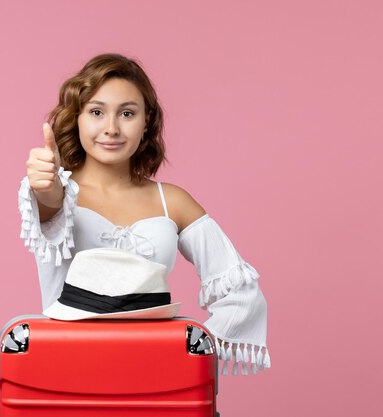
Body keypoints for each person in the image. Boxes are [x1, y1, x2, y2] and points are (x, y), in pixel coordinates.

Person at [18, 53, 270, 375]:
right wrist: (45, 186)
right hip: (68, 369)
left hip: (154, 374)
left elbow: (241, 290)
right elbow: (50, 204)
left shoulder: (173, 202)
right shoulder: (57, 191)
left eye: (127, 113)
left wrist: (191, 357)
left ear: (146, 121)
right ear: (77, 118)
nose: (111, 128)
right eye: (96, 112)